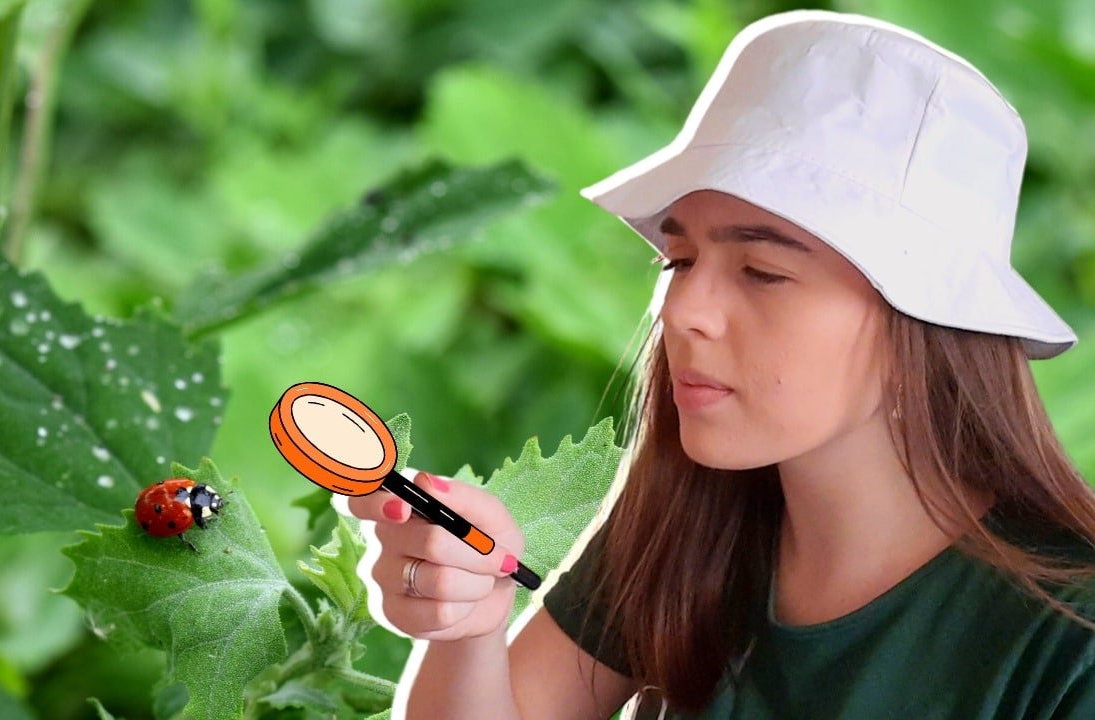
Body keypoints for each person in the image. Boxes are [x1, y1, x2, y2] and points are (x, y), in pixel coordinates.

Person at [345, 9, 1095, 719]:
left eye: (762, 272)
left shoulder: (1070, 641)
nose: (682, 311)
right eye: (679, 259)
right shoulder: (691, 526)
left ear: (926, 321)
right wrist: (467, 629)